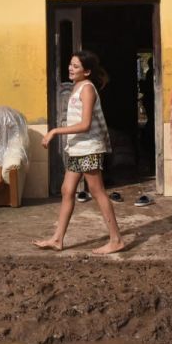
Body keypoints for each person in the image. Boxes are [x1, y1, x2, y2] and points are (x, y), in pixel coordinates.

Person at [35, 50, 125, 254]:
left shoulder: (87, 89)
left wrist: (55, 131)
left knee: (97, 191)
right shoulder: (77, 87)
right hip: (77, 148)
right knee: (67, 190)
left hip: (89, 148)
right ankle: (57, 239)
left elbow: (85, 124)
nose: (70, 68)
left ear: (87, 71)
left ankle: (116, 239)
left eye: (76, 66)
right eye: (70, 64)